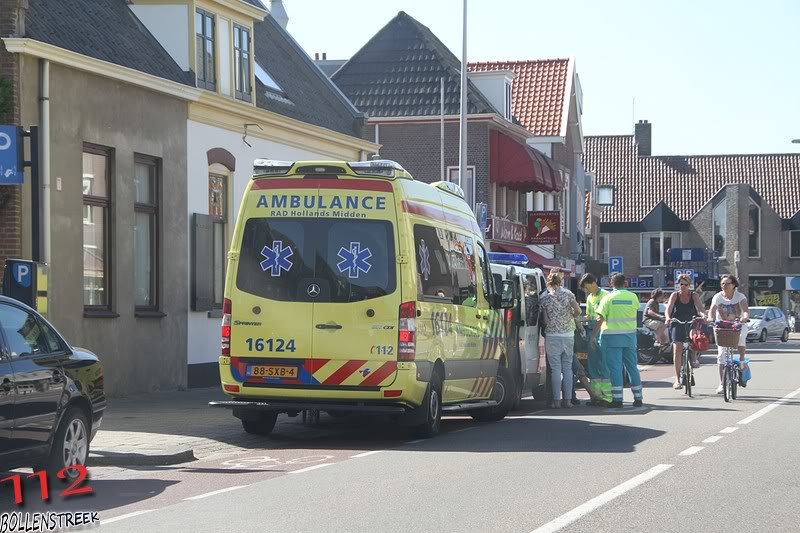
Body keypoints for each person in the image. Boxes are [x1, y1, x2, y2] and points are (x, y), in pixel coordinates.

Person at [590, 273, 643, 408]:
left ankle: (618, 400)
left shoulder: (607, 298)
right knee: (632, 368)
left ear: (610, 284)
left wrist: (593, 336)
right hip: (629, 338)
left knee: (615, 369)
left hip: (611, 339)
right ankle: (638, 398)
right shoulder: (633, 297)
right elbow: (635, 312)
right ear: (625, 283)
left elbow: (600, 319)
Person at [539, 271, 582, 409]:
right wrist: (569, 316)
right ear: (560, 282)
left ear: (548, 282)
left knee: (555, 369)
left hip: (552, 336)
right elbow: (578, 311)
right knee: (568, 368)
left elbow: (545, 320)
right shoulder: (569, 294)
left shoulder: (544, 297)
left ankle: (556, 401)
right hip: (568, 334)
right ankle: (567, 401)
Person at [707, 274, 749, 394]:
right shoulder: (717, 297)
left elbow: (745, 310)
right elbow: (712, 310)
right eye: (722, 284)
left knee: (740, 339)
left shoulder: (740, 296)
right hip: (722, 326)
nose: (724, 286)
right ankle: (721, 383)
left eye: (727, 283)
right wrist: (710, 318)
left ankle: (741, 361)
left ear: (734, 285)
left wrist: (744, 318)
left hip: (738, 325)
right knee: (721, 355)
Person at [664, 274, 705, 389]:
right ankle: (677, 379)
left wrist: (703, 315)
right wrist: (667, 317)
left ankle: (693, 358)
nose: (683, 286)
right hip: (677, 323)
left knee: (695, 339)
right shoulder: (675, 295)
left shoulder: (694, 295)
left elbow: (700, 308)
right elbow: (669, 309)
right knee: (677, 349)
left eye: (685, 284)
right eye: (681, 284)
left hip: (691, 322)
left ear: (689, 285)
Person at [579, 273, 612, 406]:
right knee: (593, 365)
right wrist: (579, 319)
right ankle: (596, 396)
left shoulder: (605, 295)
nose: (586, 291)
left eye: (587, 287)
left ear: (593, 283)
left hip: (602, 332)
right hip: (591, 332)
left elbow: (602, 317)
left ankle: (607, 397)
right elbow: (589, 315)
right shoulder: (589, 298)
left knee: (603, 363)